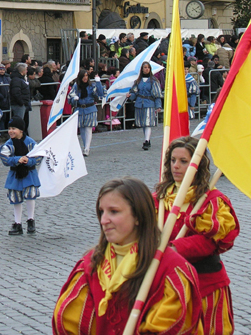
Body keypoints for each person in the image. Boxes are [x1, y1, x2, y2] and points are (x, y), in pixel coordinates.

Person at [53, 177, 202, 335]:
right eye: (101, 212)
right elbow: (69, 323)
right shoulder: (91, 265)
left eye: (114, 211)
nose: (104, 220)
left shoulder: (171, 269)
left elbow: (173, 325)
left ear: (138, 216)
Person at [155, 137, 240, 335]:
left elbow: (211, 242)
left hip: (205, 285)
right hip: (168, 285)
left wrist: (175, 249)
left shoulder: (210, 200)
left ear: (197, 165)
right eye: (173, 160)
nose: (176, 166)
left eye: (183, 161)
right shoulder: (159, 198)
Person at [0, 117, 40, 235]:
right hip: (15, 174)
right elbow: (5, 158)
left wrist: (29, 161)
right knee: (15, 198)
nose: (11, 131)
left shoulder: (30, 142)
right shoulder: (9, 144)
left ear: (21, 130)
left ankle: (31, 220)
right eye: (9, 129)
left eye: (14, 129)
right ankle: (17, 223)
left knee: (30, 195)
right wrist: (17, 159)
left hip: (29, 173)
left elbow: (38, 156)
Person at [68, 69, 105, 156]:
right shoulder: (76, 86)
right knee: (82, 129)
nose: (85, 78)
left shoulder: (91, 85)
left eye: (86, 76)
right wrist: (74, 99)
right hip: (80, 109)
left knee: (88, 128)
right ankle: (85, 146)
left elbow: (100, 94)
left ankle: (86, 148)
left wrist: (98, 82)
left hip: (90, 108)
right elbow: (70, 97)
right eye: (83, 76)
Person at [129, 62, 162, 150]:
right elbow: (134, 92)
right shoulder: (138, 81)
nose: (147, 69)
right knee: (143, 123)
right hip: (139, 103)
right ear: (142, 69)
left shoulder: (154, 81)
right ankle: (147, 138)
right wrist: (130, 96)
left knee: (148, 123)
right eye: (145, 67)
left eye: (148, 67)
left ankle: (146, 141)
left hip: (149, 103)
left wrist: (158, 106)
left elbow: (157, 94)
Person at [10, 62, 31, 130]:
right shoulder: (16, 80)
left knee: (24, 122)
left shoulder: (20, 79)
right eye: (26, 69)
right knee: (18, 123)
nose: (27, 71)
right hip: (19, 105)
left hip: (23, 104)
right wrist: (21, 102)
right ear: (22, 71)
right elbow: (16, 92)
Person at [0, 63, 12, 130]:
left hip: (7, 100)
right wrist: (2, 97)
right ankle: (1, 130)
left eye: (3, 70)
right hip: (1, 100)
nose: (2, 71)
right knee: (1, 116)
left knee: (6, 116)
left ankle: (6, 130)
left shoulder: (6, 78)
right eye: (0, 70)